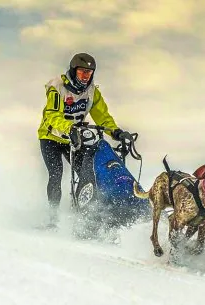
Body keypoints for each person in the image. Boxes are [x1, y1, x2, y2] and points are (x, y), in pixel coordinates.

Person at [37, 52, 134, 226]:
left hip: (73, 138)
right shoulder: (57, 87)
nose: (85, 76)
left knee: (86, 173)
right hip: (51, 137)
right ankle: (52, 219)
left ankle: (84, 213)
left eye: (89, 73)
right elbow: (52, 116)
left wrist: (117, 132)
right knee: (56, 173)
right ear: (73, 71)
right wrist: (70, 128)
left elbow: (103, 117)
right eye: (82, 72)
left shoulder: (92, 92)